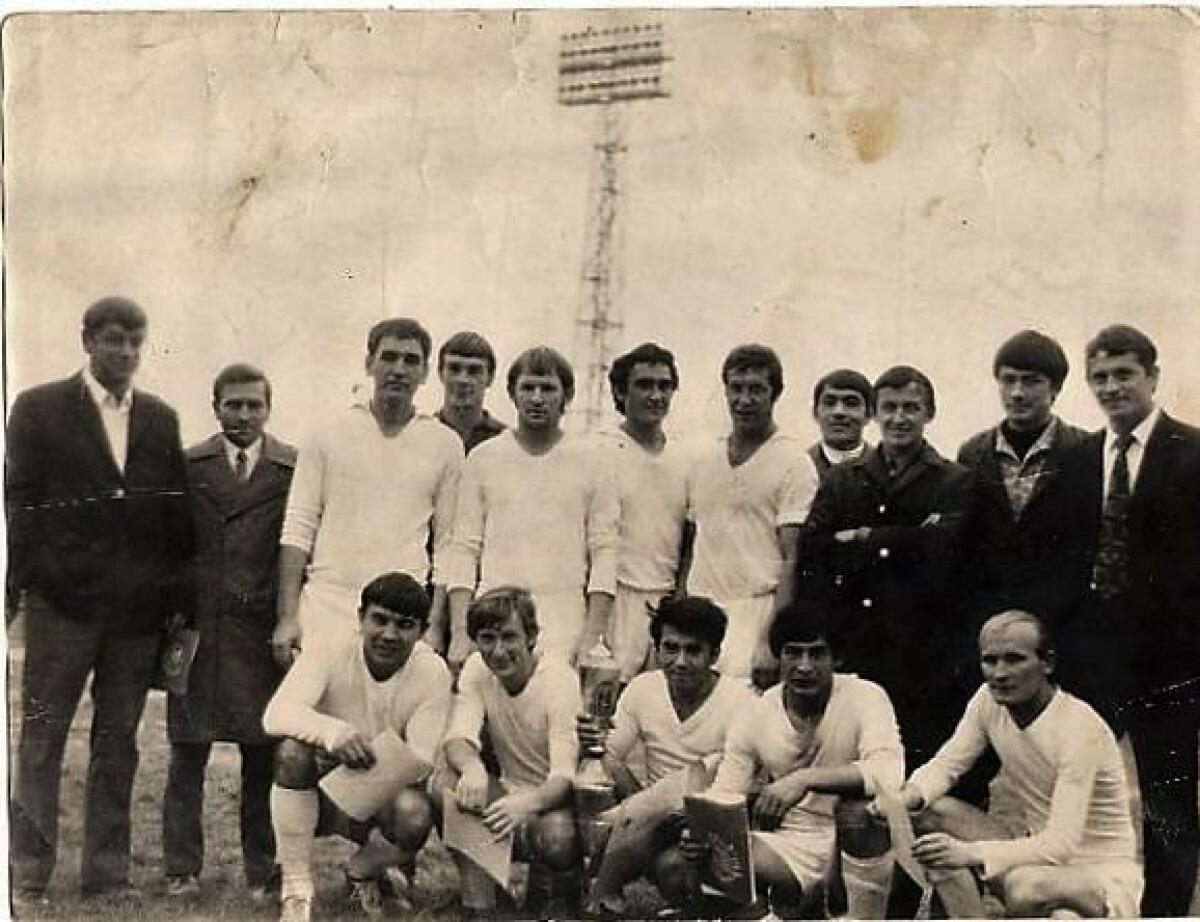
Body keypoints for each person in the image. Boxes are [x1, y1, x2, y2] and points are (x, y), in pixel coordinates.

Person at [6, 297, 193, 900]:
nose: (127, 352)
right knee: (41, 740)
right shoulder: (37, 408)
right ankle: (25, 874)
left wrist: (171, 598)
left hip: (134, 618)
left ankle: (107, 876)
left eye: (136, 341)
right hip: (60, 607)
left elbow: (175, 517)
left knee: (118, 744)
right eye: (115, 340)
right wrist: (32, 583)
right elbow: (20, 505)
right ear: (88, 341)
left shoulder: (160, 418)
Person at [1058, 324, 1200, 916]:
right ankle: (1081, 901)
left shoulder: (1192, 452)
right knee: (1077, 786)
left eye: (1124, 375)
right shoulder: (1078, 459)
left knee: (1167, 799)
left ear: (1153, 377)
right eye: (1100, 377)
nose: (1111, 387)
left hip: (1170, 660)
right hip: (1092, 657)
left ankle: (1164, 913)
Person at [894, 610, 1142, 919]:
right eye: (990, 660)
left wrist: (968, 852)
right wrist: (908, 796)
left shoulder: (1079, 729)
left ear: (1047, 663)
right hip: (1035, 858)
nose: (999, 673)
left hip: (1099, 876)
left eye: (1014, 659)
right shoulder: (987, 700)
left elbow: (1060, 845)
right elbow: (948, 764)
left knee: (1025, 889)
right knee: (928, 811)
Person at [163, 364, 296, 901]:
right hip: (199, 629)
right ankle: (181, 870)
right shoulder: (189, 465)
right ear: (215, 406)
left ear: (269, 408)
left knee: (261, 755)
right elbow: (168, 546)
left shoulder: (291, 469)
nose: (243, 415)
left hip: (260, 633)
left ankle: (262, 871)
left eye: (253, 405)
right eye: (233, 404)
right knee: (187, 752)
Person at [799, 365, 973, 772]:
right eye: (889, 407)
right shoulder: (844, 479)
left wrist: (863, 537)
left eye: (911, 408)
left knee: (917, 758)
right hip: (855, 639)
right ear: (874, 414)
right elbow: (816, 549)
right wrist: (910, 537)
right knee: (850, 754)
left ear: (930, 413)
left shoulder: (953, 480)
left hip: (922, 645)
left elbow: (943, 551)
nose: (899, 418)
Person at [263, 572, 453, 922]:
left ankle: (362, 870)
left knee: (414, 812)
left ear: (422, 631)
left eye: (404, 625)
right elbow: (276, 715)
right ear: (360, 617)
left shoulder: (432, 671)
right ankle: (296, 887)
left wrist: (361, 756)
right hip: (317, 785)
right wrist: (333, 733)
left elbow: (419, 760)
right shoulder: (329, 646)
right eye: (379, 620)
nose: (389, 635)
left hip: (379, 791)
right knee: (291, 753)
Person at [695, 600, 903, 919]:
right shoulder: (756, 712)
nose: (804, 666)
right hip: (791, 841)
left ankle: (861, 915)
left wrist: (804, 779)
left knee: (858, 812)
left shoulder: (865, 696)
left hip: (858, 840)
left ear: (837, 658)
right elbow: (726, 792)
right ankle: (788, 909)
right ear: (779, 656)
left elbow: (888, 773)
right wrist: (704, 833)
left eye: (816, 654)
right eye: (793, 653)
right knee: (699, 861)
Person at [273, 318, 463, 660]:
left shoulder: (444, 443)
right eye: (388, 357)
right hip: (327, 604)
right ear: (369, 363)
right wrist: (287, 619)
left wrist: (434, 626)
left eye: (410, 361)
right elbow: (298, 527)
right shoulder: (327, 432)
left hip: (400, 615)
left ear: (424, 373)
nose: (398, 370)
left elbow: (447, 546)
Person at [577, 595, 756, 915]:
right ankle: (602, 885)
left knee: (673, 864)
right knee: (603, 764)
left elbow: (734, 788)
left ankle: (603, 892)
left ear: (714, 655)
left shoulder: (741, 701)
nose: (680, 661)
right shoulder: (643, 688)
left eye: (693, 650)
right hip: (646, 818)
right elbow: (609, 753)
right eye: (671, 648)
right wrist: (591, 740)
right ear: (657, 650)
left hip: (705, 824)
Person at [443, 346, 619, 669]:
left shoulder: (594, 461)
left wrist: (591, 639)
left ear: (567, 395)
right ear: (512, 393)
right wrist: (459, 633)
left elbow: (604, 551)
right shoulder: (484, 458)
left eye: (548, 388)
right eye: (528, 388)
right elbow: (464, 548)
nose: (537, 398)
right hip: (493, 610)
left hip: (563, 617)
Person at [438, 587, 583, 919]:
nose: (498, 651)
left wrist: (528, 804)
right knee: (446, 783)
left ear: (531, 636)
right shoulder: (477, 668)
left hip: (555, 802)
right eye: (487, 639)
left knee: (556, 837)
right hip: (509, 791)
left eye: (509, 637)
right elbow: (457, 738)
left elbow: (564, 776)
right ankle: (482, 902)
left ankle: (560, 890)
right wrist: (473, 767)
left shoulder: (559, 679)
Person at [682, 344, 817, 688]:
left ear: (775, 394)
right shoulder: (703, 458)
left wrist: (771, 641)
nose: (744, 400)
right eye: (736, 388)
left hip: (755, 613)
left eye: (756, 389)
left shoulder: (793, 462)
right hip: (701, 609)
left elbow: (792, 558)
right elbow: (693, 542)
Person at [956, 331, 1087, 627]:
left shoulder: (1084, 450)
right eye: (1008, 380)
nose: (1017, 393)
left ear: (1056, 388)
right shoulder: (973, 453)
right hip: (987, 616)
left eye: (1031, 381)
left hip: (1060, 615)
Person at [597, 342, 690, 681]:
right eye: (644, 385)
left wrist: (679, 598)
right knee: (605, 696)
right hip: (613, 600)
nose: (655, 396)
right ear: (621, 392)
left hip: (665, 603)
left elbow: (690, 535)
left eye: (664, 386)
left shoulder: (685, 457)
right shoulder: (599, 449)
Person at [434, 330, 507, 453]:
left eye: (474, 371)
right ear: (440, 373)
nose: (463, 380)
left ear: (490, 378)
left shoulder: (505, 441)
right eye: (454, 369)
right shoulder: (423, 434)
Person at [808, 369, 873, 480]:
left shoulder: (885, 468)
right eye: (829, 403)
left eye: (851, 404)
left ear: (869, 414)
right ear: (815, 412)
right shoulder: (799, 468)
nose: (839, 412)